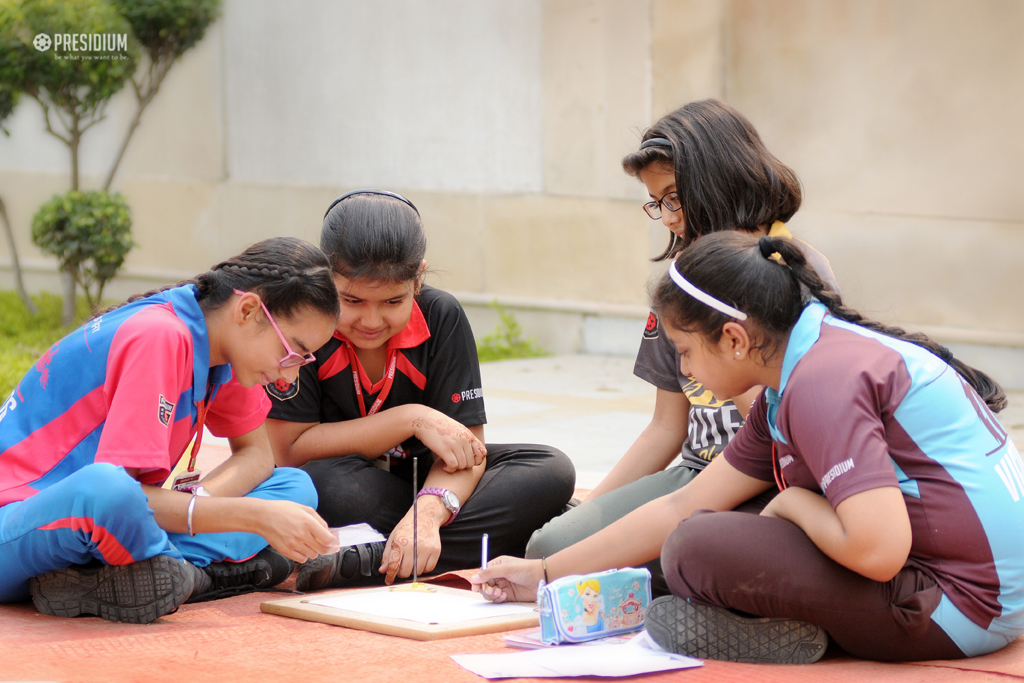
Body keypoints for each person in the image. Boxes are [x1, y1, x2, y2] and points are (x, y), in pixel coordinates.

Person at [474, 231, 1022, 664]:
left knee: (698, 549)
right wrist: (547, 574)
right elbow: (680, 504)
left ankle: (806, 633)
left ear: (734, 338)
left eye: (685, 351)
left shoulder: (822, 382)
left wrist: (793, 505)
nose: (683, 370)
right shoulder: (803, 367)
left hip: (958, 609)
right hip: (969, 592)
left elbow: (878, 553)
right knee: (700, 534)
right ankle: (785, 624)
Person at [525, 98, 839, 594]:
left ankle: (725, 591)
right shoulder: (682, 282)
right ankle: (712, 589)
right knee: (551, 548)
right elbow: (665, 426)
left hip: (775, 478)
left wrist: (726, 343)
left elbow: (792, 428)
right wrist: (585, 513)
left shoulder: (797, 270)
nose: (667, 218)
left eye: (675, 198)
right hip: (697, 470)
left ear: (719, 181)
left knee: (689, 551)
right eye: (657, 203)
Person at [0, 237, 343, 624]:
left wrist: (205, 505)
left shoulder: (226, 346)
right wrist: (251, 517)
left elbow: (258, 456)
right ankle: (193, 577)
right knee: (105, 489)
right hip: (18, 524)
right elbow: (121, 498)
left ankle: (134, 576)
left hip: (109, 526)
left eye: (304, 359)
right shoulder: (160, 335)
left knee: (293, 489)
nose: (290, 373)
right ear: (247, 310)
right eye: (292, 351)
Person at [265, 190, 575, 590]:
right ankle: (504, 534)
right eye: (352, 300)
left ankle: (377, 558)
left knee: (548, 467)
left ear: (419, 278)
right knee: (318, 483)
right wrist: (411, 418)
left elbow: (468, 450)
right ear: (325, 278)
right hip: (355, 487)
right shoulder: (304, 322)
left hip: (432, 480)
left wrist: (427, 512)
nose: (371, 320)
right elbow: (289, 450)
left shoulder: (441, 315)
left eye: (393, 300)